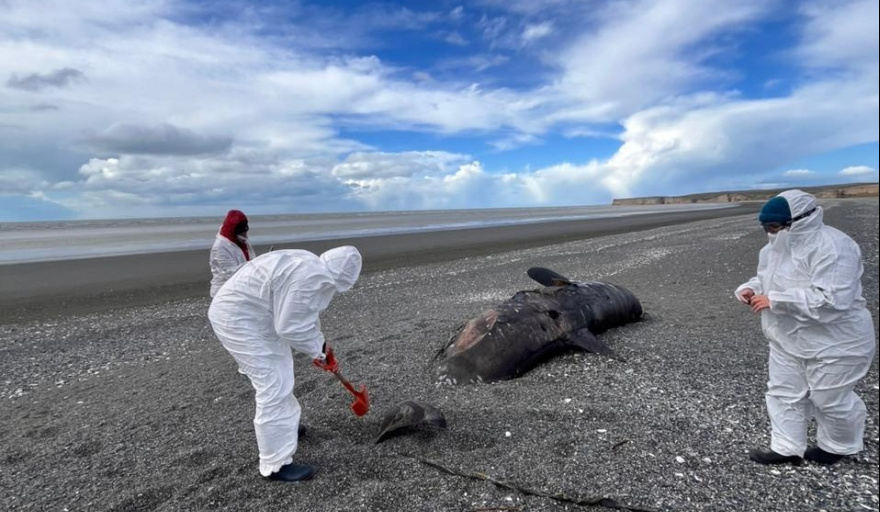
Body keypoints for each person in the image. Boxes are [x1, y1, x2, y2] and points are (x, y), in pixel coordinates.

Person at [735, 189, 876, 466]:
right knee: (782, 391)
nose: (770, 233)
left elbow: (833, 298)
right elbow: (768, 279)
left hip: (837, 341)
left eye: (774, 227)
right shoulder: (772, 248)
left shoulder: (834, 247)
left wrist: (775, 300)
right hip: (786, 336)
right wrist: (751, 288)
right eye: (766, 228)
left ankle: (839, 445)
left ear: (799, 221)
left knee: (829, 399)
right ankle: (786, 447)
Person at [208, 246, 362, 482]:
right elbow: (290, 327)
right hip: (238, 321)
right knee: (274, 385)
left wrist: (321, 346)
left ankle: (285, 430)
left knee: (281, 372)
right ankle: (275, 464)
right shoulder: (311, 277)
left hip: (254, 315)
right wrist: (318, 350)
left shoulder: (310, 263)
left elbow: (304, 314)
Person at [210, 209, 256, 298]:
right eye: (242, 232)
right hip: (223, 292)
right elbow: (230, 273)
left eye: (246, 230)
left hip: (240, 289)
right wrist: (256, 264)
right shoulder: (220, 247)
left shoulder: (242, 240)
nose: (245, 234)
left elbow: (249, 258)